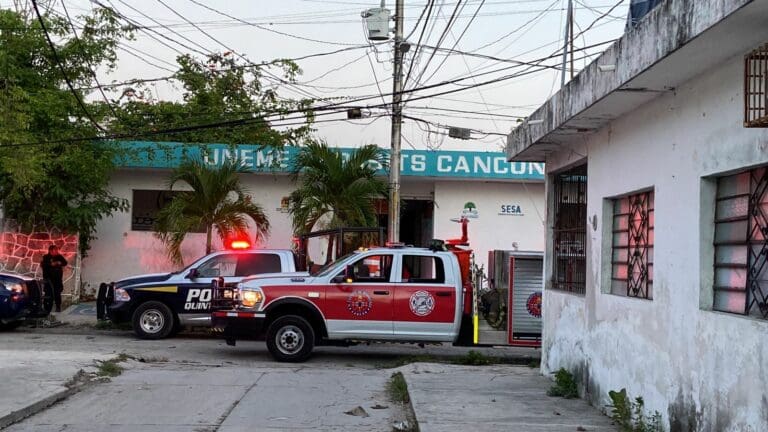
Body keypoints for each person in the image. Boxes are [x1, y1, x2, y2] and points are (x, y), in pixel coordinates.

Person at [41, 245, 67, 313]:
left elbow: (65, 263)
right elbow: (43, 264)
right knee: (48, 293)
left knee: (57, 293)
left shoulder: (59, 257)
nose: (56, 251)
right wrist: (51, 264)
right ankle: (47, 308)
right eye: (55, 250)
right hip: (48, 279)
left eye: (57, 250)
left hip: (57, 279)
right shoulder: (46, 257)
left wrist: (59, 262)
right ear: (50, 251)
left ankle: (58, 307)